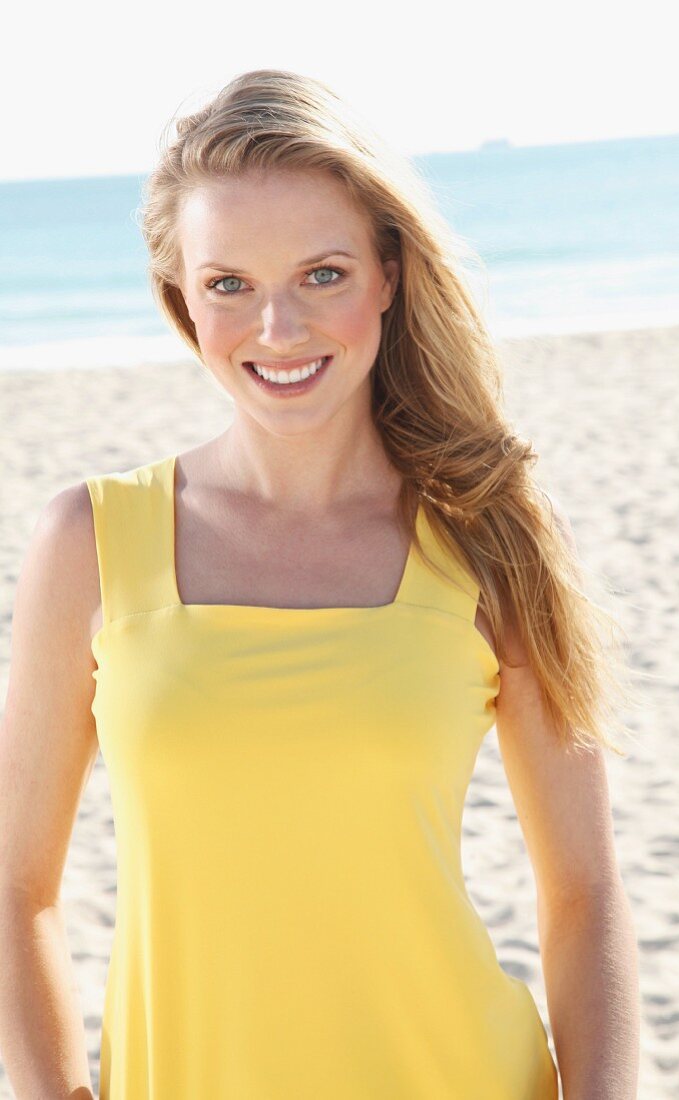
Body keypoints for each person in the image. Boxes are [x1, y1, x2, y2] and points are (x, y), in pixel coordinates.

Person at [0, 70, 641, 1099]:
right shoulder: (89, 540)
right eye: (229, 285)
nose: (278, 328)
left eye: (322, 274)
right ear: (181, 299)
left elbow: (581, 889)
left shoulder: (491, 538)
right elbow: (18, 884)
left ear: (387, 274)